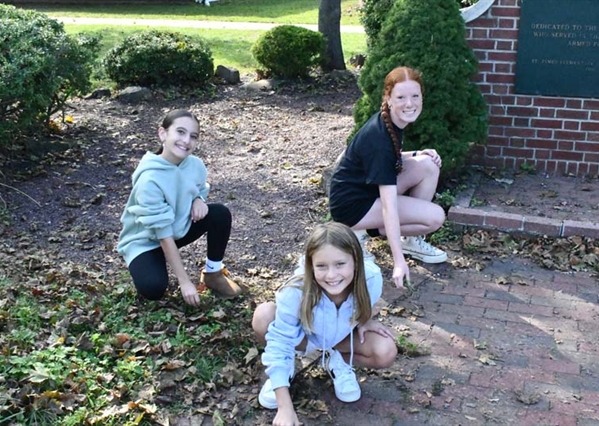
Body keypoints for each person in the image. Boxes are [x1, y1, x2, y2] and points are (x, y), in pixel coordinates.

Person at [252, 222, 397, 426]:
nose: (331, 275)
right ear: (311, 265)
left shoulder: (371, 278)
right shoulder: (295, 290)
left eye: (340, 264)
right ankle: (284, 370)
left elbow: (368, 301)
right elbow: (279, 343)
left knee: (385, 350)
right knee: (263, 316)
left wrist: (365, 319)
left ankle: (339, 362)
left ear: (356, 261)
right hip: (304, 338)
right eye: (321, 266)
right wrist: (285, 407)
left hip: (340, 338)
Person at [329, 66, 447, 290]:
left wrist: (416, 154)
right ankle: (359, 232)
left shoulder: (391, 122)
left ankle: (411, 240)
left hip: (366, 189)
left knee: (429, 165)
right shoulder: (379, 136)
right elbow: (389, 206)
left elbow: (386, 159)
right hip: (352, 207)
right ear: (388, 98)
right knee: (435, 218)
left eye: (415, 96)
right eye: (401, 97)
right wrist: (398, 260)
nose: (409, 103)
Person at [117, 109, 242, 305]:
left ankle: (213, 273)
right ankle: (149, 263)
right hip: (147, 241)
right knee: (153, 288)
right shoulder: (149, 179)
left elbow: (197, 188)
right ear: (163, 133)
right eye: (180, 132)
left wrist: (198, 199)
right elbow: (163, 234)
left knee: (219, 213)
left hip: (178, 228)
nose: (186, 140)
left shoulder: (195, 165)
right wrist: (184, 281)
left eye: (193, 136)